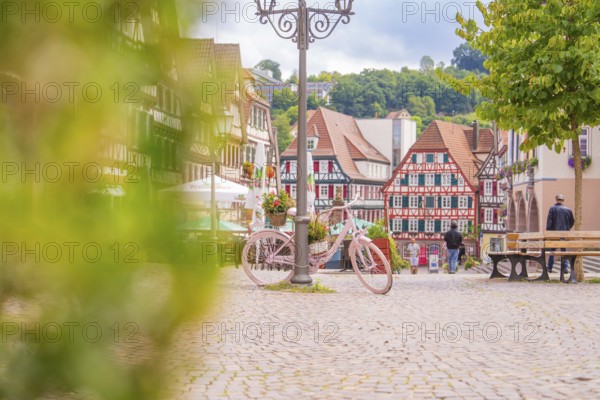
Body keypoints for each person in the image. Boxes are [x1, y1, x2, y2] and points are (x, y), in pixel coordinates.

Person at [546, 193, 575, 274]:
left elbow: (549, 221)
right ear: (563, 200)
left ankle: (550, 267)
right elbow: (572, 221)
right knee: (564, 251)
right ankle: (565, 268)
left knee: (552, 251)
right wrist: (567, 228)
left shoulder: (552, 208)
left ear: (556, 200)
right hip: (565, 233)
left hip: (554, 233)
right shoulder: (568, 210)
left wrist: (548, 232)